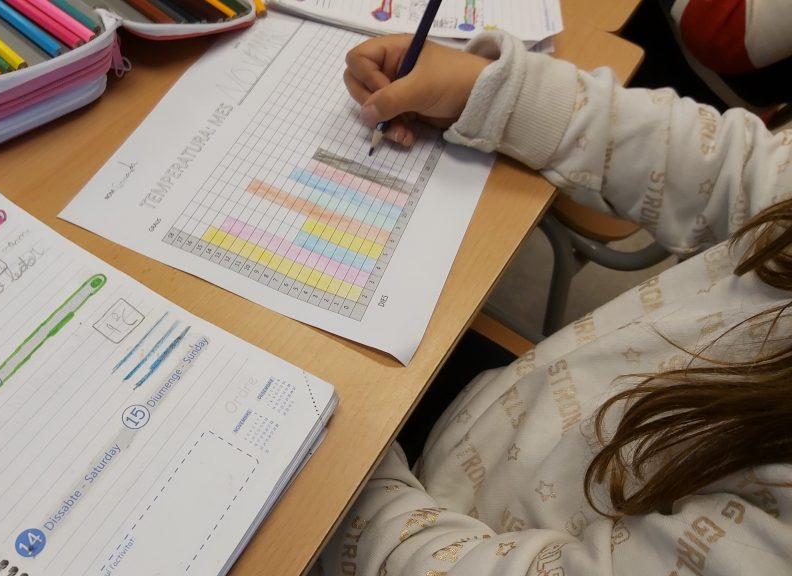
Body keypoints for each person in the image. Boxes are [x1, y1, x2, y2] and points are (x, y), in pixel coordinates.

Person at [317, 30, 792, 575]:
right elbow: (740, 169)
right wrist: (497, 95)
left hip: (409, 532)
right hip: (491, 435)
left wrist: (346, 480)